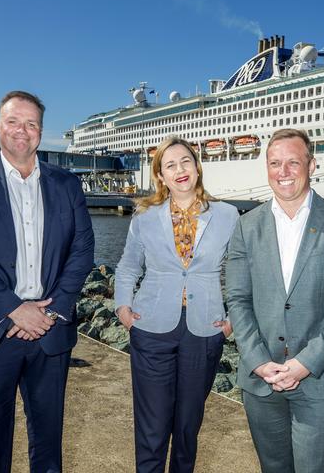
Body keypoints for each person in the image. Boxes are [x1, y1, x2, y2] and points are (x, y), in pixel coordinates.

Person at [0, 91, 95, 472]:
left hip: (50, 327)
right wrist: (13, 309)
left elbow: (82, 249)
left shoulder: (66, 184)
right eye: (13, 121)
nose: (21, 131)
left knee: (48, 442)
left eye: (31, 124)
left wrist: (53, 310)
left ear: (41, 132)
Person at [226, 128, 324, 473]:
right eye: (275, 163)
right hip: (261, 379)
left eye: (293, 162)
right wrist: (258, 360)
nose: (283, 172)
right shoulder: (246, 226)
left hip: (318, 378)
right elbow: (237, 298)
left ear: (311, 165)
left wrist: (305, 362)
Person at [115, 136, 238, 473]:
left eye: (185, 161)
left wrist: (233, 321)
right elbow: (128, 266)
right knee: (152, 429)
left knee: (187, 429)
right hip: (151, 327)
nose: (179, 170)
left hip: (204, 330)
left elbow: (245, 272)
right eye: (170, 165)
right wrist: (123, 308)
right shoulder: (144, 215)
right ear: (161, 176)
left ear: (197, 167)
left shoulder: (228, 215)